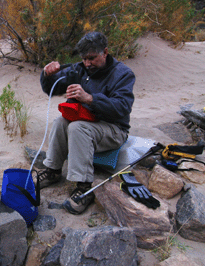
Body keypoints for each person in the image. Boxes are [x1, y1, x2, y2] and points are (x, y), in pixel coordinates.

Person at [38, 31, 135, 215]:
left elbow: (122, 108)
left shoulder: (123, 74)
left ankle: (84, 187)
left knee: (77, 127)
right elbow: (51, 87)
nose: (87, 63)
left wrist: (90, 99)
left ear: (105, 52)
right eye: (84, 58)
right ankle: (52, 170)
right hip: (88, 124)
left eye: (92, 58)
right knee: (60, 121)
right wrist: (47, 74)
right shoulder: (80, 69)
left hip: (114, 130)